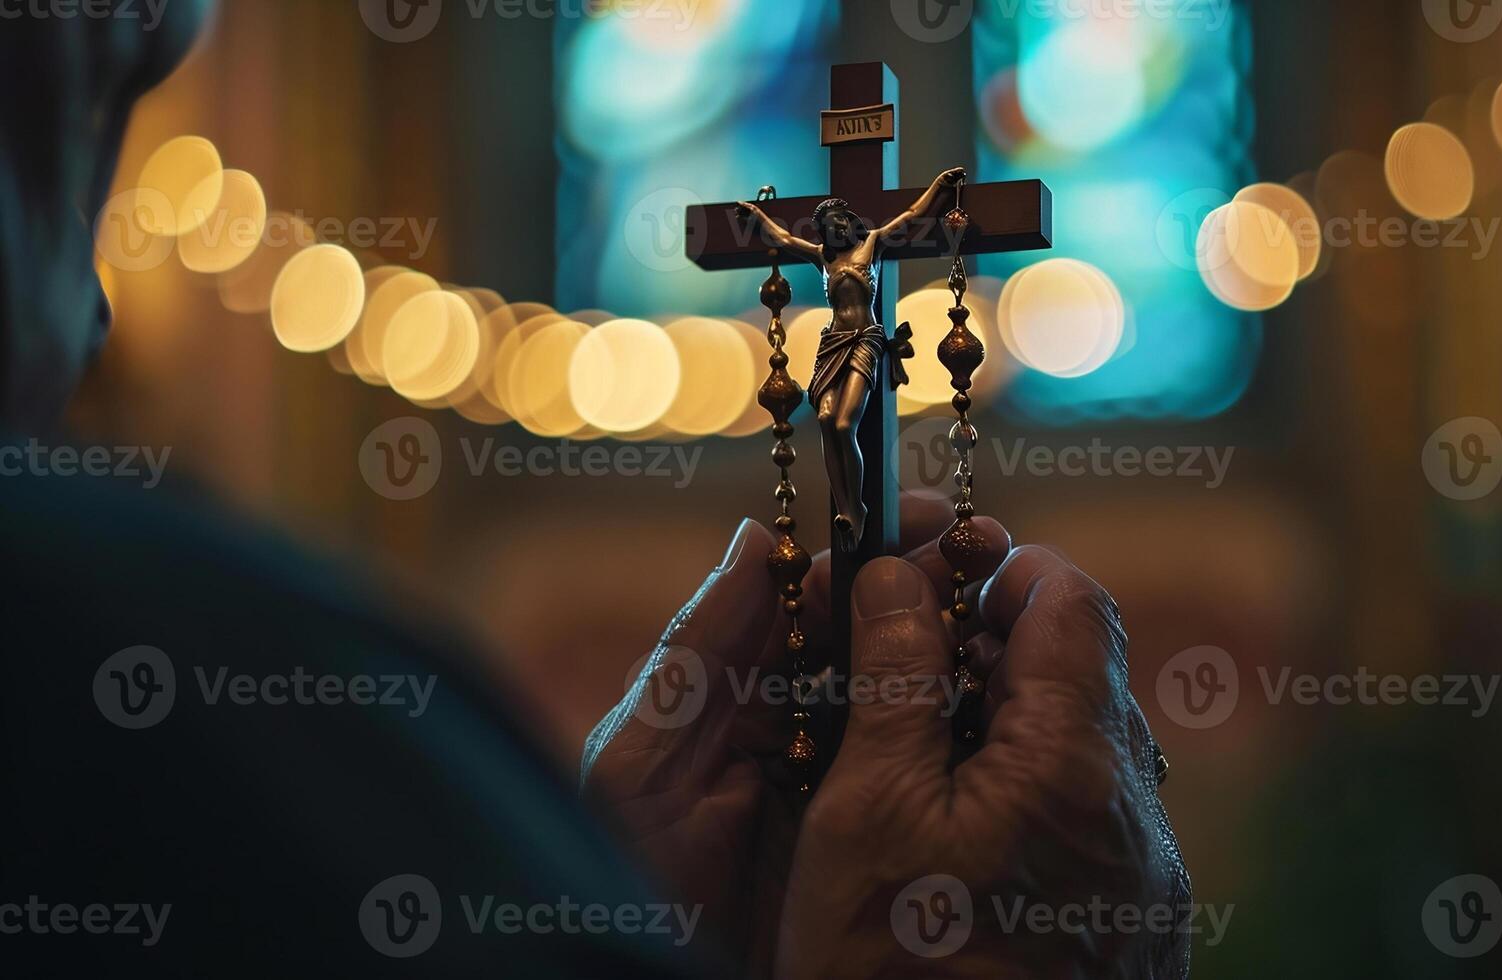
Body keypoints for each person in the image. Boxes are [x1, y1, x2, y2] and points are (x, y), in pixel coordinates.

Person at [0, 9, 1189, 978]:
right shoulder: (192, 659)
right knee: (838, 437)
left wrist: (606, 902)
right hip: (838, 382)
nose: (170, 33)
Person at [738, 170, 963, 552]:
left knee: (844, 423)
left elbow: (910, 216)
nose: (837, 227)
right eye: (828, 225)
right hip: (833, 343)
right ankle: (845, 507)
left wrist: (938, 188)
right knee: (825, 418)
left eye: (841, 220)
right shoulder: (823, 260)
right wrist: (757, 217)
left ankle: (857, 504)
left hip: (866, 340)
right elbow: (784, 238)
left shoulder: (872, 245)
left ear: (852, 222)